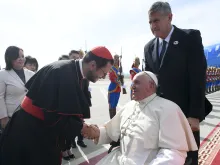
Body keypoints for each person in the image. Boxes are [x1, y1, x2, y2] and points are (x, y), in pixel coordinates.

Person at [0, 46, 114, 165]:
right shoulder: (62, 72)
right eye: (103, 72)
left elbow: (68, 108)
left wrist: (82, 125)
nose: (103, 76)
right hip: (29, 131)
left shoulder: (75, 72)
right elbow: (54, 115)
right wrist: (83, 128)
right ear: (92, 65)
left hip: (40, 129)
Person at [143, 2, 211, 164]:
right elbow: (150, 81)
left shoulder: (189, 38)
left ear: (170, 17)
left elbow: (197, 77)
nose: (153, 26)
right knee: (164, 156)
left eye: (156, 21)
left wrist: (195, 114)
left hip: (185, 115)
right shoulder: (149, 47)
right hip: (159, 116)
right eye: (150, 22)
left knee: (188, 156)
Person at [82, 71, 198, 165]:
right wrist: (96, 132)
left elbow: (173, 153)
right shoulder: (129, 106)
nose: (132, 86)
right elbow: (110, 132)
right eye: (132, 83)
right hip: (118, 159)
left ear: (151, 85)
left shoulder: (168, 108)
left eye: (137, 83)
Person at [108, 54, 121, 119]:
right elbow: (111, 77)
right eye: (115, 59)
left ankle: (114, 119)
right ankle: (111, 120)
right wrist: (117, 81)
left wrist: (121, 80)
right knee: (111, 105)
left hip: (118, 89)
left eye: (117, 59)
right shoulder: (111, 68)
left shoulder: (119, 68)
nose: (116, 60)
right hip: (113, 88)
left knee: (115, 105)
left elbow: (121, 77)